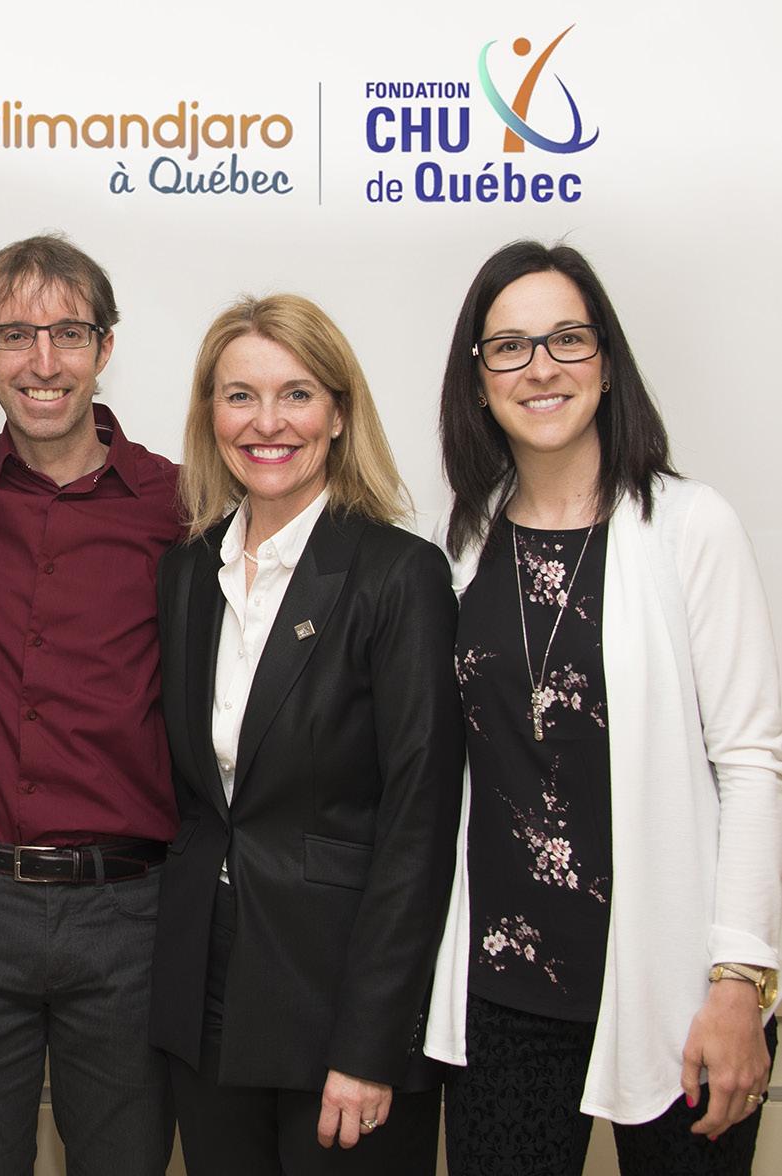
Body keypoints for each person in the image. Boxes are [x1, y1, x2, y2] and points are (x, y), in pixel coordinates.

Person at [423, 240, 781, 1174]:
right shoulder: (459, 540)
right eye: (509, 347)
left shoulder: (689, 527)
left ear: (608, 363)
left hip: (673, 994)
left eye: (567, 340)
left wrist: (739, 983)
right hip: (499, 997)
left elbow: (751, 764)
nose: (539, 367)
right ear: (478, 379)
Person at [0, 235, 182, 1174]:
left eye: (69, 333)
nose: (43, 362)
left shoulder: (177, 505)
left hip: (129, 917)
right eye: (14, 335)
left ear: (105, 346)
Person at [150, 295, 463, 1174]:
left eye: (295, 394)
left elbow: (417, 826)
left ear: (337, 413)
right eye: (238, 396)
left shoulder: (398, 575)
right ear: (209, 416)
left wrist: (370, 1044)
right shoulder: (187, 572)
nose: (266, 422)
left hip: (337, 1005)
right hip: (205, 998)